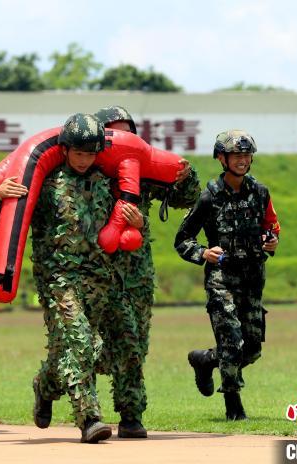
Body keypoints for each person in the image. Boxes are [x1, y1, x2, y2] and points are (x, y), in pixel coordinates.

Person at [0, 113, 130, 443]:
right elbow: (3, 220)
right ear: (64, 149)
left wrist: (132, 218)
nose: (84, 160)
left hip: (98, 281)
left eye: (90, 153)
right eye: (78, 153)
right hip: (59, 280)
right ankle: (89, 418)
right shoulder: (46, 182)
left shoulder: (106, 182)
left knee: (76, 352)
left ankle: (46, 385)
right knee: (80, 343)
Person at [93, 105, 201, 438]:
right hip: (93, 271)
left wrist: (186, 175)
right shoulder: (85, 173)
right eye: (114, 131)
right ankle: (58, 384)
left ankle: (130, 416)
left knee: (134, 344)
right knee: (83, 344)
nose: (122, 138)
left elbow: (186, 197)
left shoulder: (141, 171)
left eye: (128, 131)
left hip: (136, 273)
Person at [174, 130, 280, 420]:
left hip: (253, 277)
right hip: (222, 279)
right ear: (222, 159)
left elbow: (272, 227)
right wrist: (203, 253)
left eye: (246, 155)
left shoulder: (260, 193)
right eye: (236, 156)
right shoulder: (209, 198)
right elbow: (182, 240)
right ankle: (233, 404)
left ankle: (205, 361)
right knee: (231, 341)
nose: (243, 161)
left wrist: (272, 241)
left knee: (252, 348)